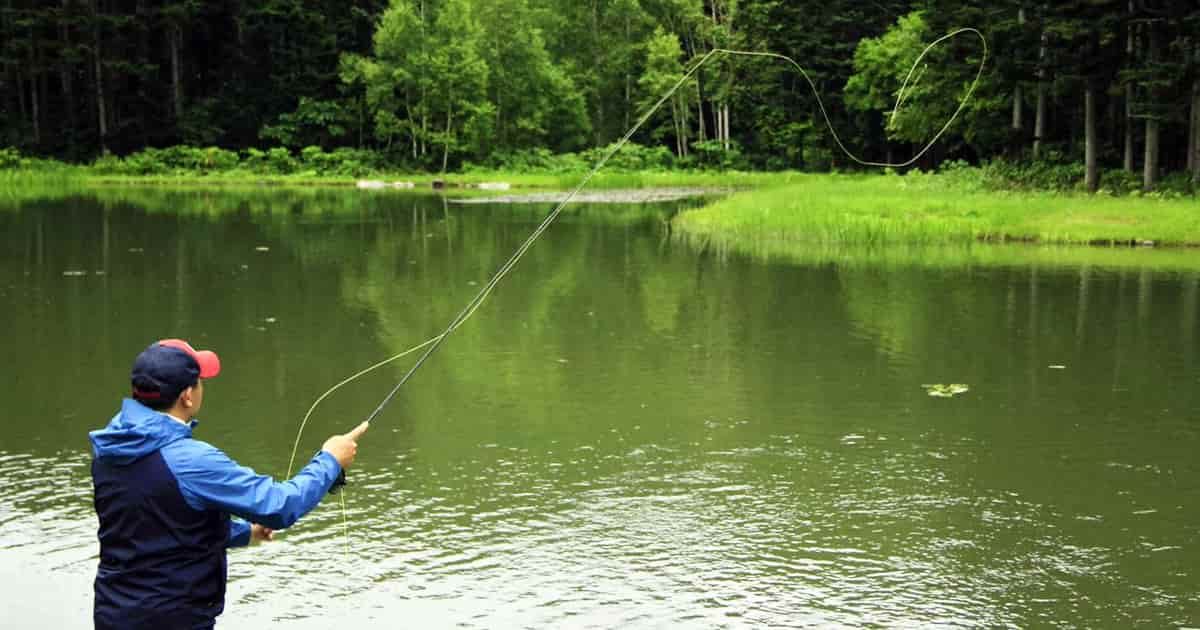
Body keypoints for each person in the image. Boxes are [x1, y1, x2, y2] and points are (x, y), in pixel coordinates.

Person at [89, 339, 368, 629]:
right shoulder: (192, 461)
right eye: (199, 382)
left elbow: (158, 523)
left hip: (114, 614)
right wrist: (331, 460)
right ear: (187, 396)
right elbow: (279, 506)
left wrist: (244, 533)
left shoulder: (111, 446)